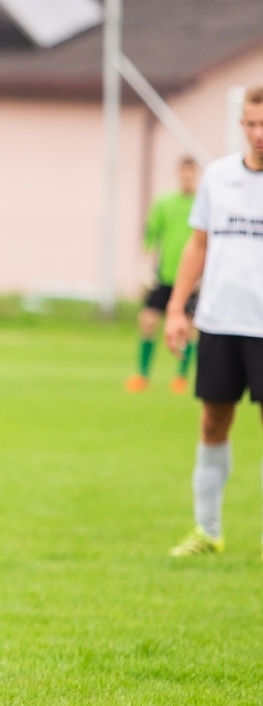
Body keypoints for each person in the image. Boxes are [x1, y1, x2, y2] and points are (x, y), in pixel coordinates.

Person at [164, 86, 263, 558]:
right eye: (251, 124)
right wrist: (177, 308)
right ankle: (208, 530)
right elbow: (198, 244)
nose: (259, 134)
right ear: (241, 124)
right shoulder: (218, 176)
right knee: (212, 420)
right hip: (221, 321)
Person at [128, 156, 199, 394]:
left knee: (189, 328)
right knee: (148, 320)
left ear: (196, 175)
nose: (187, 179)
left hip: (193, 277)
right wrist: (145, 266)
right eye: (183, 174)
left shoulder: (202, 203)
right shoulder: (164, 203)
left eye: (191, 174)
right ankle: (142, 374)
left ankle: (181, 377)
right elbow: (151, 235)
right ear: (178, 174)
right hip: (165, 274)